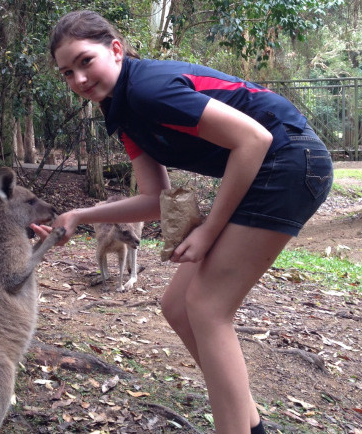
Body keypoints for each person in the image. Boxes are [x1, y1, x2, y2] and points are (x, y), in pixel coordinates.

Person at [34, 10, 334, 434]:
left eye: (86, 61)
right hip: (271, 165)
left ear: (116, 50)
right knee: (178, 306)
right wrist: (80, 215)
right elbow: (155, 199)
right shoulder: (122, 113)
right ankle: (252, 426)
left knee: (208, 307)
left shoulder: (147, 90)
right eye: (67, 72)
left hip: (290, 160)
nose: (79, 79)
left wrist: (210, 229)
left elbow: (255, 139)